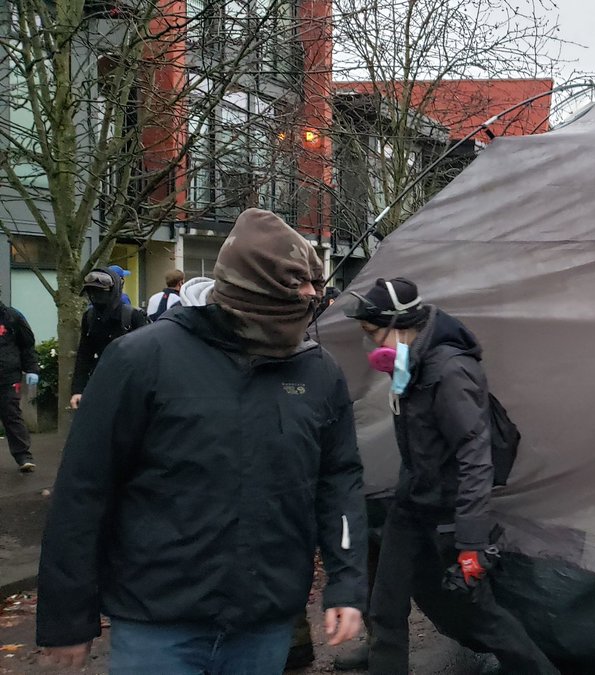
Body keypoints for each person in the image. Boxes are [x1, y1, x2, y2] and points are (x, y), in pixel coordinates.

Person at [37, 208, 368, 671]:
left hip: (266, 622)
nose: (309, 299)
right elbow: (83, 489)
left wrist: (347, 582)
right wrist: (67, 619)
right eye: (296, 288)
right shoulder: (141, 360)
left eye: (313, 288)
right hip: (157, 623)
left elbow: (340, 482)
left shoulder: (319, 372)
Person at [347, 278, 558, 675]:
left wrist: (471, 541)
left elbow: (476, 458)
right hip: (411, 499)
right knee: (386, 600)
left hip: (448, 508)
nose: (374, 346)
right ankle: (383, 662)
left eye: (375, 334)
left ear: (402, 323)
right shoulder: (410, 361)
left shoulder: (451, 372)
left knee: (479, 612)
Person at [70, 268, 148, 409]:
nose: (95, 296)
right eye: (92, 292)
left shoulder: (133, 316)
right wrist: (78, 390)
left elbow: (147, 357)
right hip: (100, 382)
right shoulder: (89, 317)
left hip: (131, 386)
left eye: (101, 292)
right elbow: (84, 354)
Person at [0, 295, 38, 473]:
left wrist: (31, 369)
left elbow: (27, 345)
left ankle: (23, 456)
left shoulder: (12, 317)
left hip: (8, 377)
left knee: (11, 413)